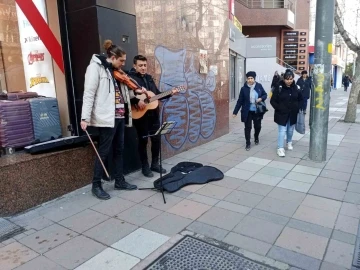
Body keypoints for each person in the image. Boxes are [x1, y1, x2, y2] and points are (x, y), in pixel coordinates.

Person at [81, 40, 138, 200]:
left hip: (119, 116)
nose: (122, 64)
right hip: (107, 117)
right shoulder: (95, 68)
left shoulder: (113, 71)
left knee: (119, 149)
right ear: (112, 57)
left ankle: (119, 180)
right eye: (121, 61)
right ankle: (96, 185)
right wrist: (84, 117)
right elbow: (89, 93)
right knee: (103, 152)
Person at [128, 55, 178, 177]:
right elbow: (127, 96)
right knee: (143, 140)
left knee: (156, 139)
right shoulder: (130, 79)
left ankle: (155, 164)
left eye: (145, 65)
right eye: (140, 65)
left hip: (153, 114)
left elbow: (157, 95)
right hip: (140, 115)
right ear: (135, 66)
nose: (143, 68)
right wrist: (136, 101)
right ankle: (145, 166)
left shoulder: (150, 78)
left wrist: (170, 93)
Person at [270, 69, 303, 157]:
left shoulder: (296, 88)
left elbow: (301, 99)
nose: (289, 81)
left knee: (290, 130)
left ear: (293, 79)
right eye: (287, 79)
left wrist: (297, 107)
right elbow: (272, 100)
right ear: (284, 79)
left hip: (292, 113)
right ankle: (280, 148)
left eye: (291, 79)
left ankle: (289, 142)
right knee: (282, 130)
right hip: (281, 113)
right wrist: (279, 108)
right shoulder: (279, 87)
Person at [232, 71, 267, 151]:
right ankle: (248, 143)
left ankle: (256, 136)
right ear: (246, 79)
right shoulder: (244, 89)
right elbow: (240, 101)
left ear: (254, 79)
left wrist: (261, 98)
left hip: (257, 111)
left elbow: (265, 94)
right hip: (247, 111)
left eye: (252, 78)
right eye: (248, 78)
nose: (250, 80)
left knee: (257, 126)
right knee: (248, 127)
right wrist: (235, 112)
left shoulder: (259, 86)